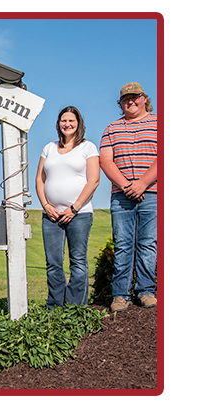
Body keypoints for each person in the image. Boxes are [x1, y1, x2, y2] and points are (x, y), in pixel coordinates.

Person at [100, 82, 157, 312]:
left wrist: (143, 183)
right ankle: (120, 295)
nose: (130, 102)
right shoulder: (112, 128)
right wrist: (125, 185)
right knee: (123, 245)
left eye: (135, 97)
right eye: (125, 99)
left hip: (152, 192)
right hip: (121, 196)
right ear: (120, 103)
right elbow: (105, 160)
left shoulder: (158, 122)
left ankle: (146, 291)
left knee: (148, 244)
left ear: (144, 98)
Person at [36, 106, 100, 310]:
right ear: (58, 123)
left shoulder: (88, 147)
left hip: (79, 214)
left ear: (78, 123)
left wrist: (74, 208)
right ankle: (54, 306)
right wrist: (46, 205)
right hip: (52, 215)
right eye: (64, 120)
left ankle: (75, 308)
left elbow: (94, 181)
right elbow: (40, 179)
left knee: (78, 262)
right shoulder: (49, 148)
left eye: (71, 120)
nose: (67, 124)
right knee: (53, 263)